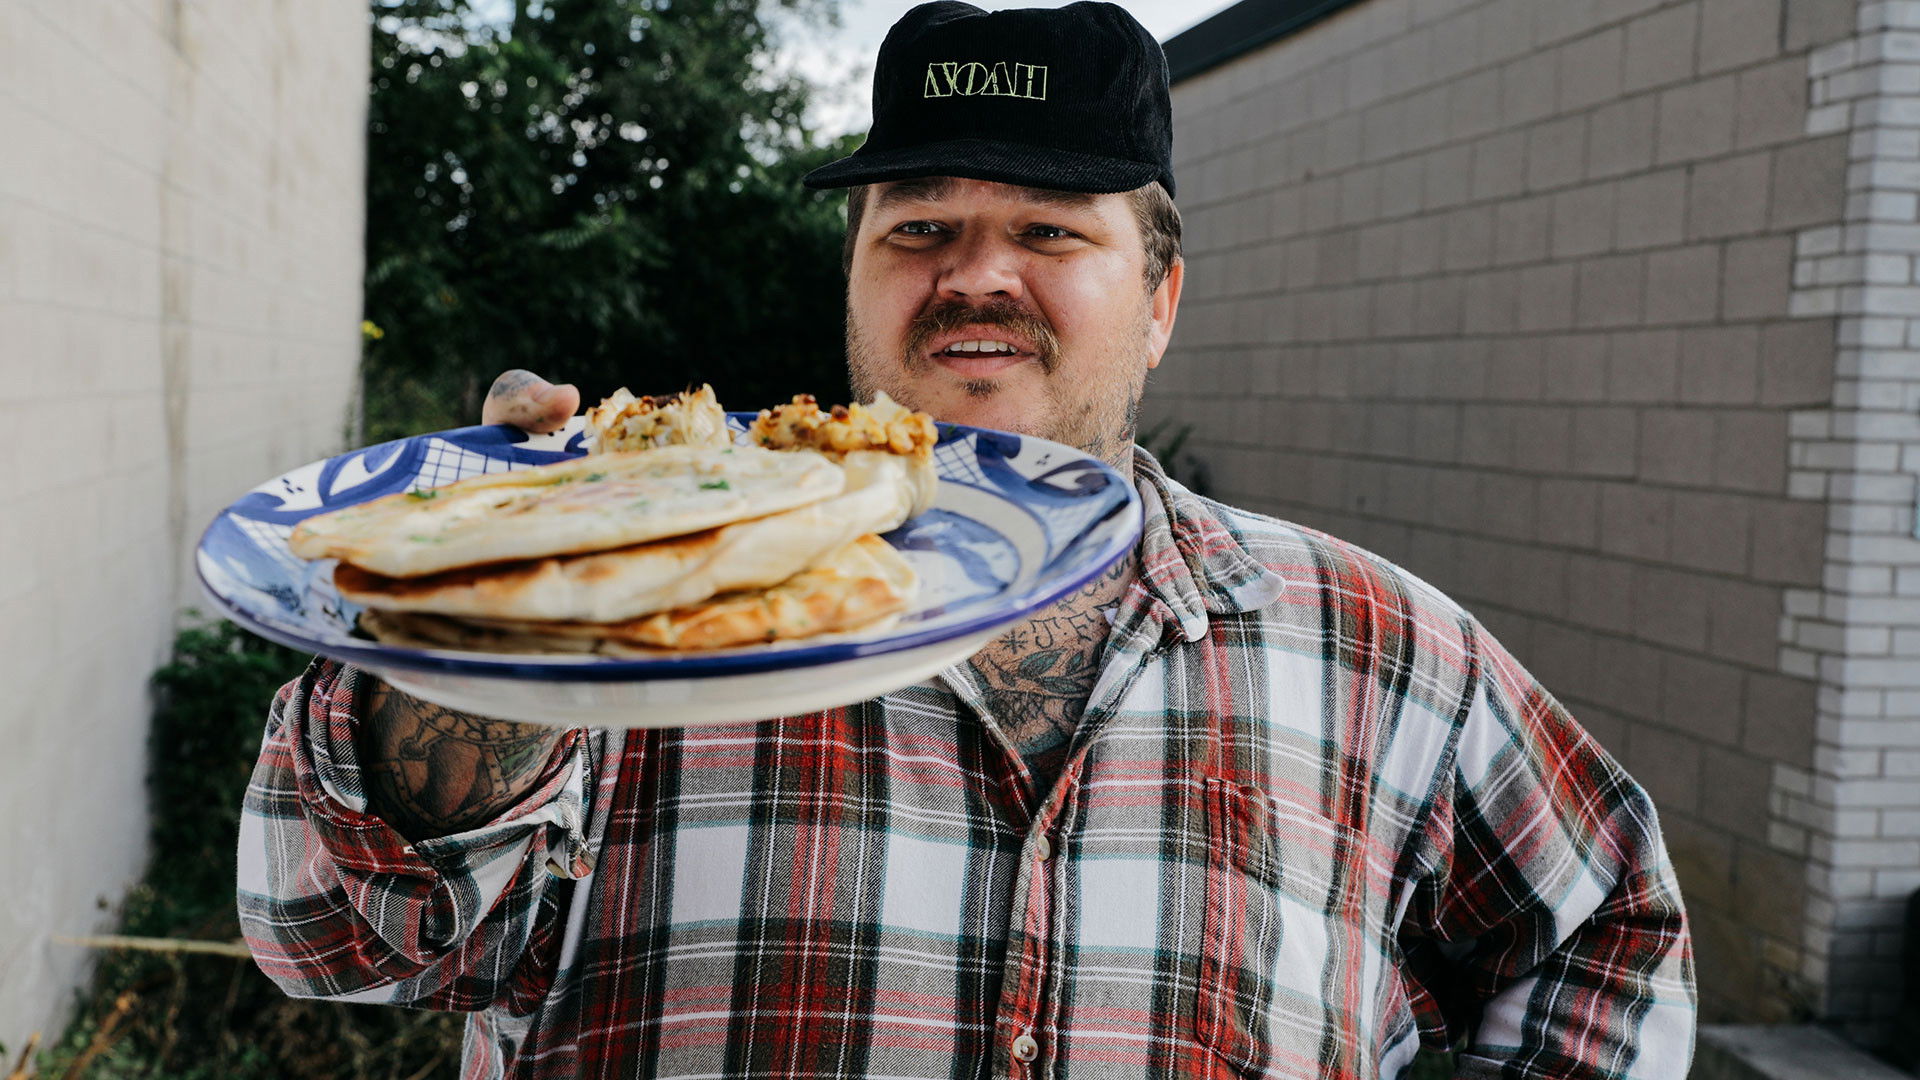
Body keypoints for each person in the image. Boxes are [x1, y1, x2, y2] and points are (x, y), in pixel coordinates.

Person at [238, 4, 1696, 1077]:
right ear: (859, 277)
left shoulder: (1381, 648)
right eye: (919, 228)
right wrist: (493, 601)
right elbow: (326, 944)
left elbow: (1607, 929)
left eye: (1052, 230)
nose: (976, 274)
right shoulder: (633, 621)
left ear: (1163, 298)